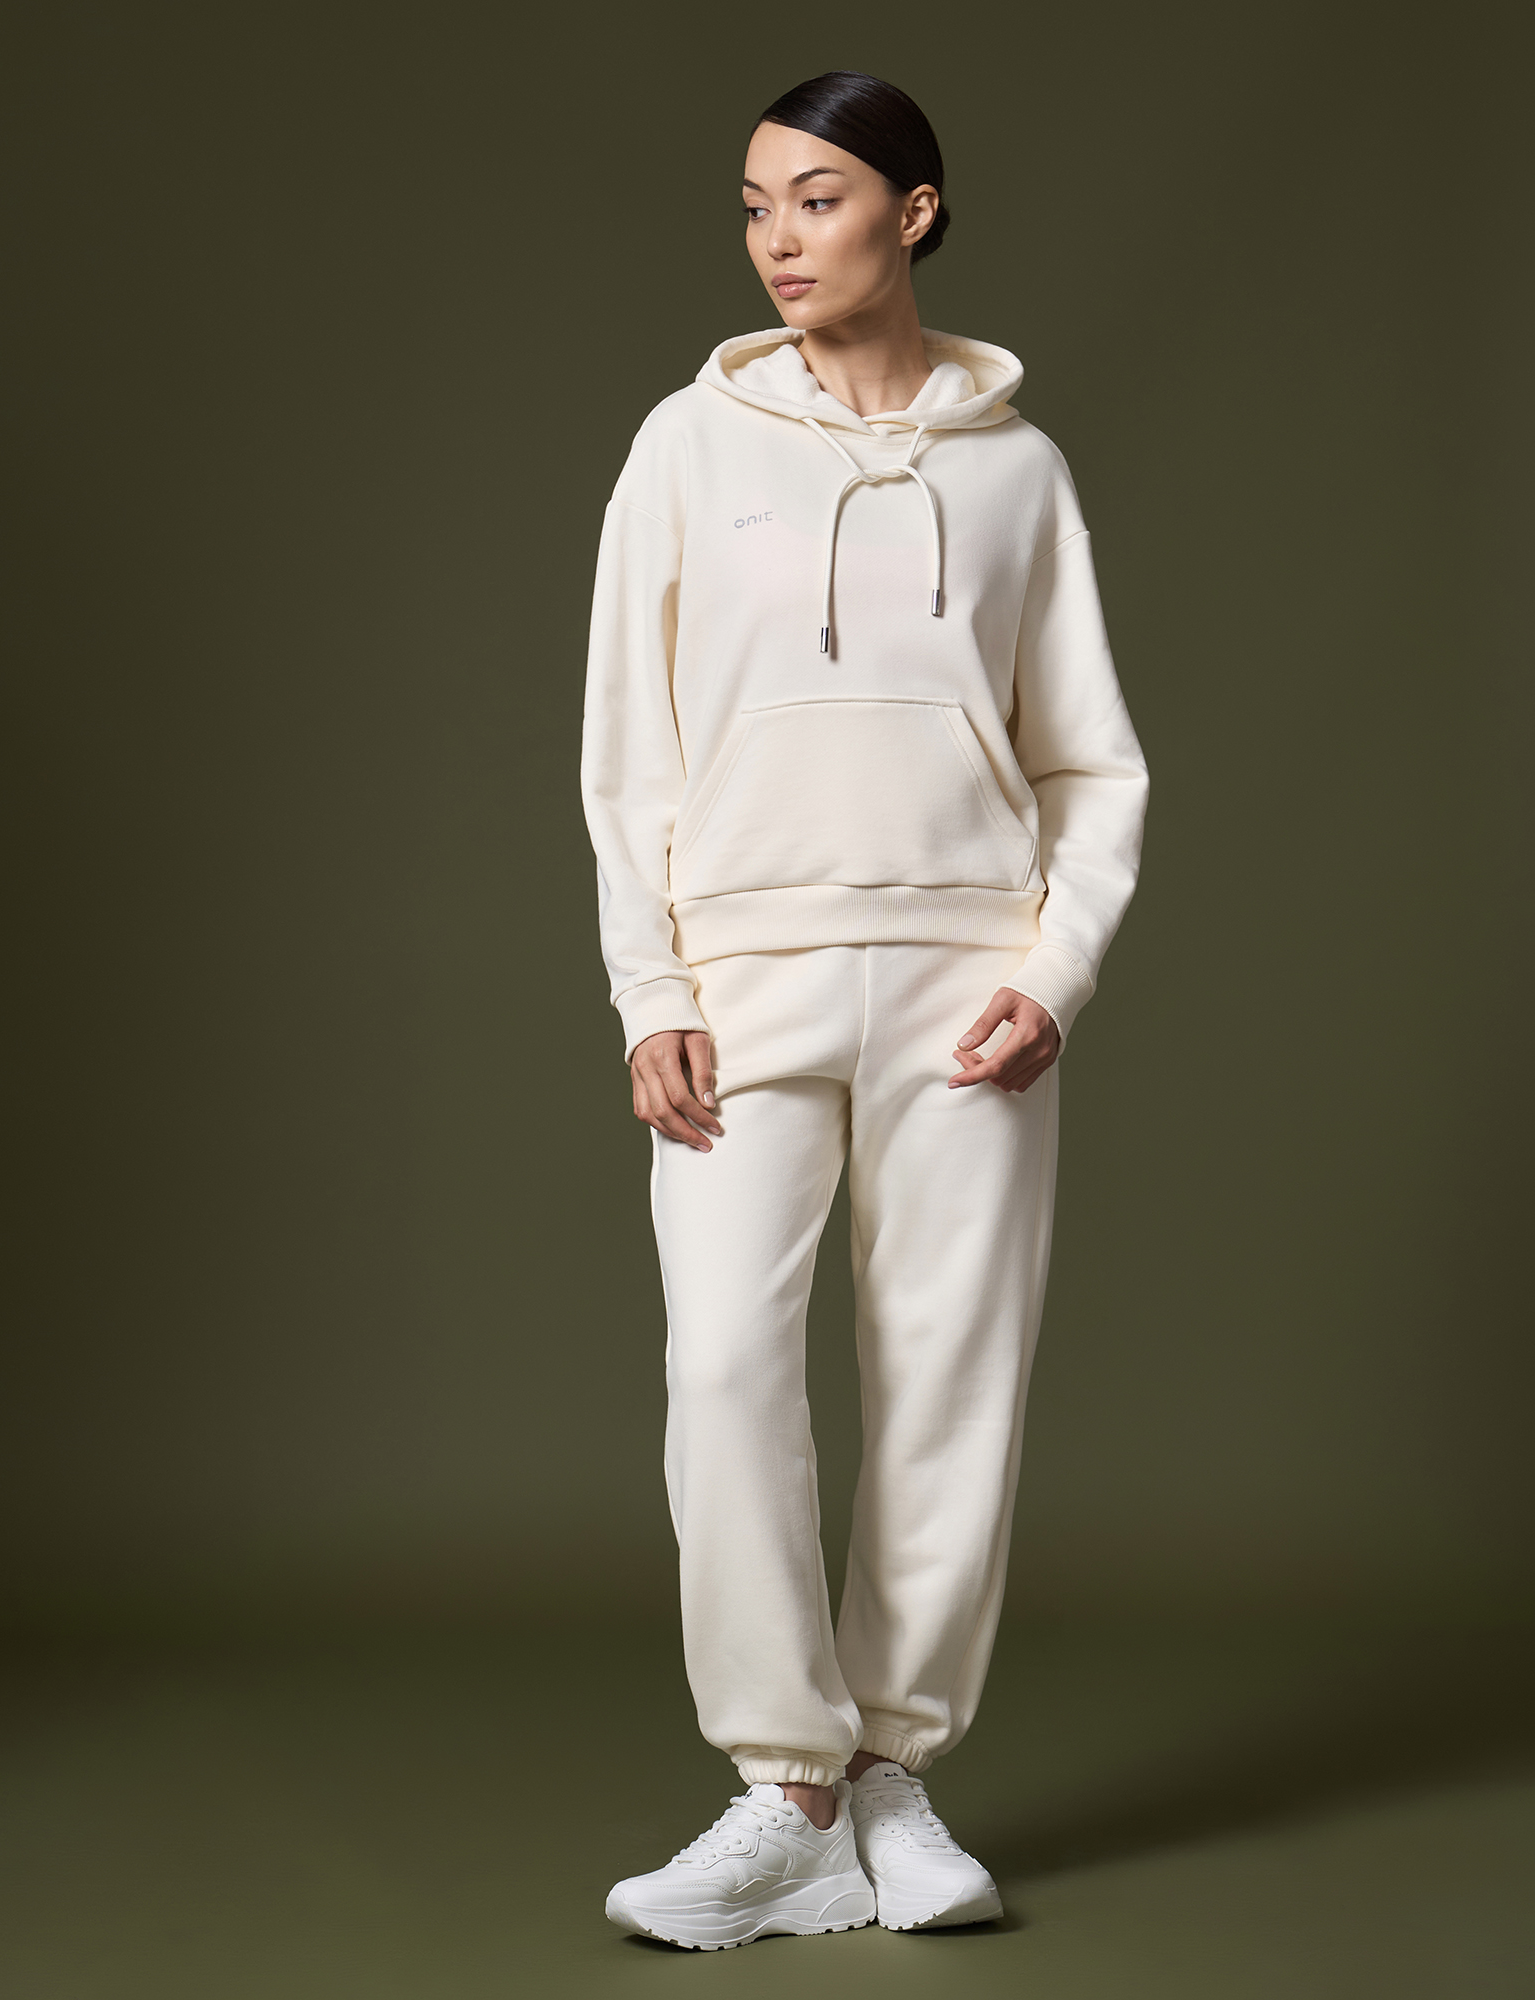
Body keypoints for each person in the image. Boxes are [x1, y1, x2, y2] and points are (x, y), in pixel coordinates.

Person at [580, 70, 1148, 1950]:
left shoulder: (1019, 472)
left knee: (949, 1383)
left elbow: (1092, 764)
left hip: (970, 986)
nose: (778, 238)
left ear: (914, 211)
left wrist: (1052, 970)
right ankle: (786, 1790)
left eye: (816, 199)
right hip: (745, 976)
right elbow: (627, 757)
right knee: (726, 1374)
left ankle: (895, 1779)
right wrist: (652, 984)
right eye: (755, 205)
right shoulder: (686, 445)